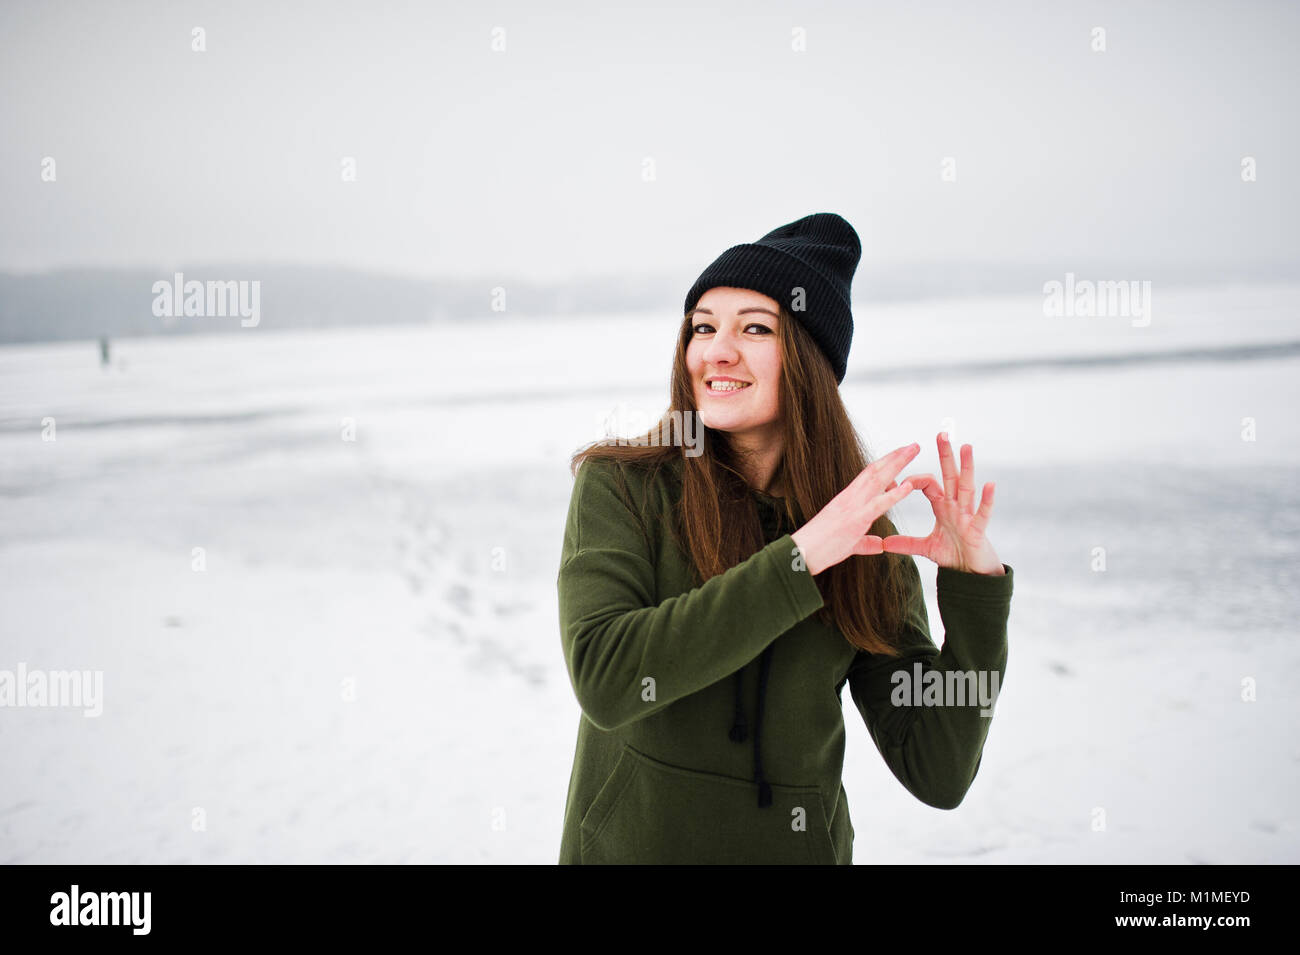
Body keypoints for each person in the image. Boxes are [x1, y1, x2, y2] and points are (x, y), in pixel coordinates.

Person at [556, 212, 1014, 864]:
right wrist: (799, 562)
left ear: (808, 360)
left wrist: (975, 595)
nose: (716, 349)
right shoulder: (624, 487)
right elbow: (607, 677)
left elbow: (936, 769)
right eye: (704, 325)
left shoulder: (860, 537)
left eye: (755, 328)